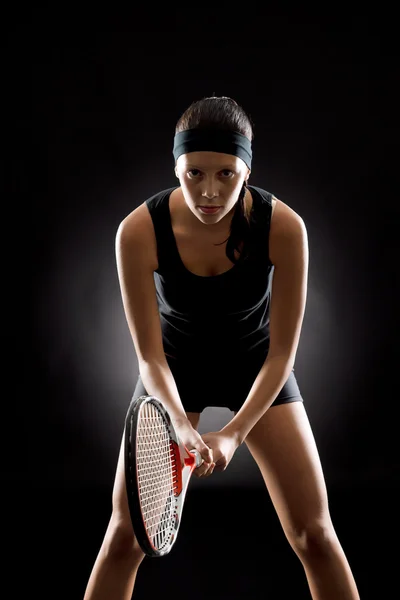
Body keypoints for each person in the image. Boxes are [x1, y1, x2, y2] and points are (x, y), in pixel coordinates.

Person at [83, 96, 360, 599]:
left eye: (226, 174)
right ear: (175, 167)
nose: (209, 192)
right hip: (173, 372)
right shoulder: (137, 231)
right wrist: (181, 424)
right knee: (124, 539)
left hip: (257, 366)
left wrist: (231, 434)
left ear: (247, 171)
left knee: (315, 535)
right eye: (194, 174)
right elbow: (149, 357)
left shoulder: (284, 227)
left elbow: (281, 356)